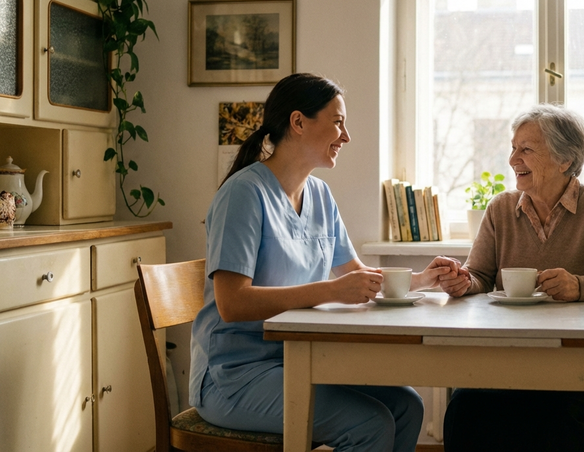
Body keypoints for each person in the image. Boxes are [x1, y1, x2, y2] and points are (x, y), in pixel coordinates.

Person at [190, 73, 463, 452]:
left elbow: (355, 277)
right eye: (337, 122)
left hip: (298, 360)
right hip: (236, 376)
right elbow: (232, 303)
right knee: (370, 425)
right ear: (298, 122)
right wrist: (329, 291)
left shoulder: (319, 194)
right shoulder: (243, 194)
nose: (346, 136)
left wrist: (422, 279)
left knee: (406, 406)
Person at [437, 103, 584, 451]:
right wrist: (464, 282)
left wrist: (580, 286)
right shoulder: (501, 208)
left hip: (580, 362)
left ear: (565, 160)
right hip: (509, 358)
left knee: (559, 420)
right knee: (465, 410)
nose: (513, 160)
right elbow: (480, 275)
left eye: (526, 150)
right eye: (513, 148)